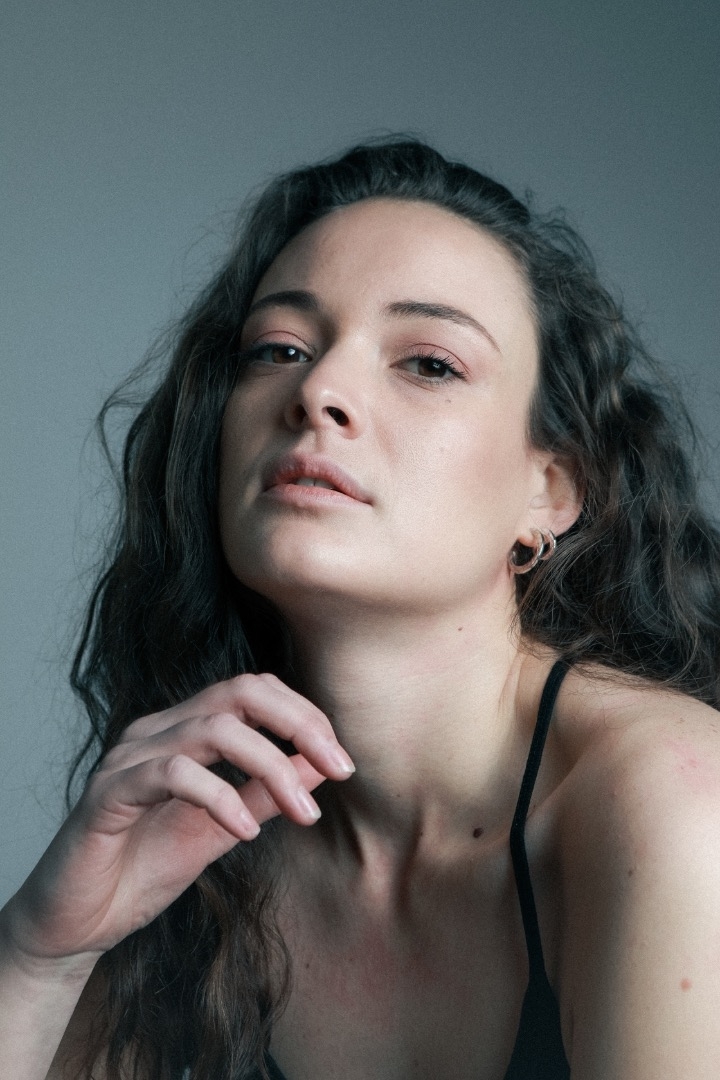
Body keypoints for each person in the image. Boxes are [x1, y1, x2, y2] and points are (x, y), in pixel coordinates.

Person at [2, 138, 720, 1080]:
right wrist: (40, 955)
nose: (318, 392)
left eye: (428, 363)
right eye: (279, 350)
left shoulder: (671, 793)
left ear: (550, 490)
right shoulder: (200, 826)